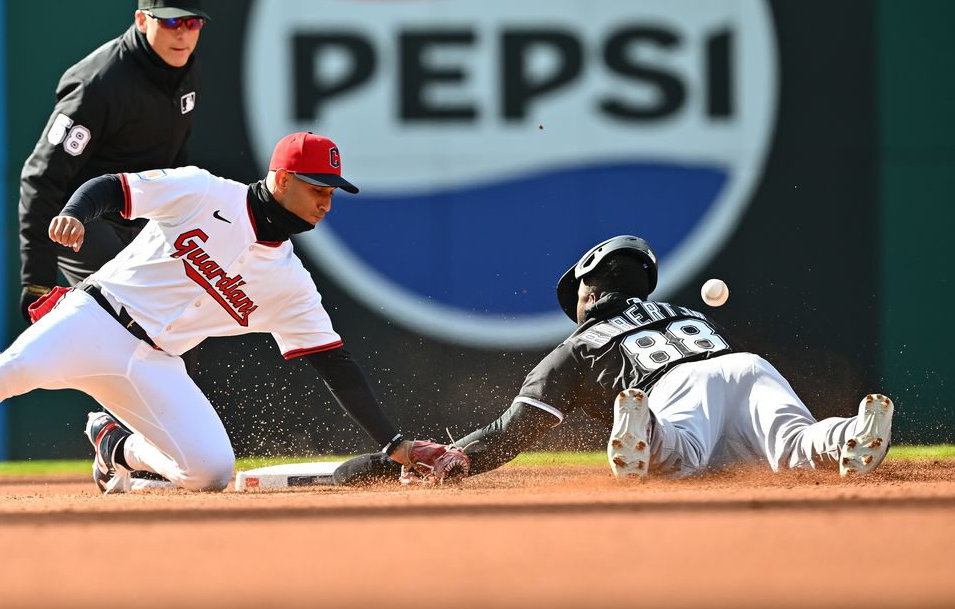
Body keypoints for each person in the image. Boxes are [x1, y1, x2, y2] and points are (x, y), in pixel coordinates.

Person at [0, 133, 468, 494]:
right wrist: (77, 216)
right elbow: (112, 188)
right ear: (279, 179)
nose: (326, 201)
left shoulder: (290, 284)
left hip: (157, 363)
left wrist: (391, 443)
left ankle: (118, 447)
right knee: (10, 371)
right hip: (96, 319)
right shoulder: (203, 190)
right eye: (316, 187)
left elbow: (337, 366)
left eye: (332, 190)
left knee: (213, 474)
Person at [334, 235, 894, 485]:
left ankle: (642, 429)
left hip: (669, 389)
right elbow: (720, 381)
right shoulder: (683, 314)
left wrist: (457, 459)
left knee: (681, 457)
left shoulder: (577, 345)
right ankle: (848, 435)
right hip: (745, 364)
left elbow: (514, 430)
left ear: (587, 288)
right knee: (795, 445)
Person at [18, 0, 208, 319]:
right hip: (83, 218)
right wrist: (38, 281)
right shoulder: (99, 84)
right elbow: (41, 178)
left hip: (140, 214)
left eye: (191, 23)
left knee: (180, 319)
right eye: (169, 21)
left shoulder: (185, 72)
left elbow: (174, 165)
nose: (181, 34)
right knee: (130, 312)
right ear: (141, 20)